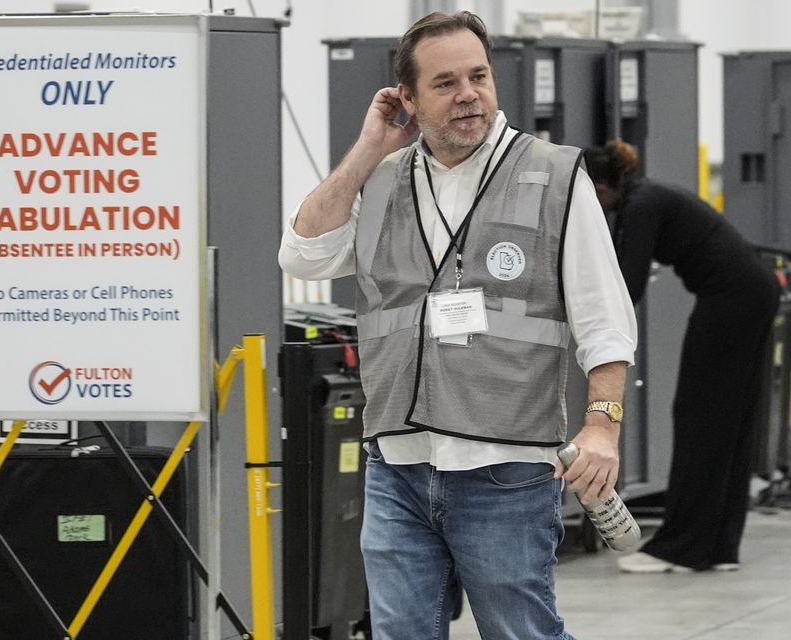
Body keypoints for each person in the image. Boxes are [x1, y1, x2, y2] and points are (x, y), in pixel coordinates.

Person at [279, 11, 637, 639]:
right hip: (398, 462)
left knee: (521, 634)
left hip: (506, 467)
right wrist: (368, 149)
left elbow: (605, 318)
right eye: (444, 83)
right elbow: (302, 253)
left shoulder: (554, 174)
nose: (468, 93)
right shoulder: (384, 179)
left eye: (478, 76)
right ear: (407, 101)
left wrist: (602, 426)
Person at [585, 139, 781, 574]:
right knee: (728, 421)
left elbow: (627, 286)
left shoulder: (641, 206)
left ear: (600, 189)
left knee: (699, 415)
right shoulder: (648, 195)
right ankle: (719, 548)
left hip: (731, 298)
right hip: (751, 291)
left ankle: (680, 548)